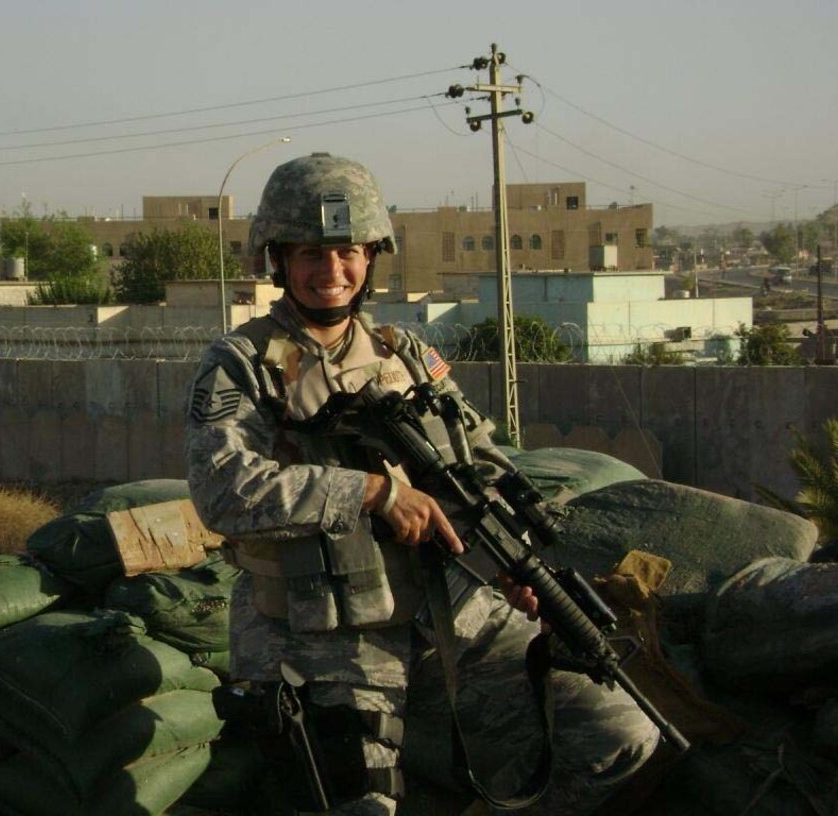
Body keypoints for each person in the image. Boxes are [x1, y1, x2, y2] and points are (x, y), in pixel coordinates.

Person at [185, 152, 659, 815]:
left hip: (451, 613)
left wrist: (510, 561)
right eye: (311, 253)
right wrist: (373, 494)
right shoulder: (243, 362)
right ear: (278, 260)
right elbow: (221, 488)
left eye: (348, 251)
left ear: (372, 257)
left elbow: (479, 461)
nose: (332, 270)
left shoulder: (403, 354)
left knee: (620, 733)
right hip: (320, 632)